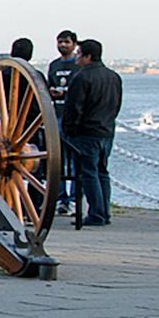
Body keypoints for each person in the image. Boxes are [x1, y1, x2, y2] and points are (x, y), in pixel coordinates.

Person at [61, 38, 123, 229]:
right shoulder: (113, 77)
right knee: (102, 171)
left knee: (89, 173)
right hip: (106, 130)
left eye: (79, 53)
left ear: (87, 57)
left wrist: (69, 129)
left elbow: (74, 107)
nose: (76, 57)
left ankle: (96, 213)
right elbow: (116, 104)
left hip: (86, 132)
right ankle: (104, 211)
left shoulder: (82, 78)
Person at [46, 30, 81, 214]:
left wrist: (65, 93)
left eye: (66, 42)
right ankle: (61, 198)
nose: (62, 45)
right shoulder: (54, 65)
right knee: (57, 160)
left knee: (75, 161)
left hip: (73, 118)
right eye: (59, 42)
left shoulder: (79, 65)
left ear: (74, 44)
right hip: (56, 115)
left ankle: (75, 199)